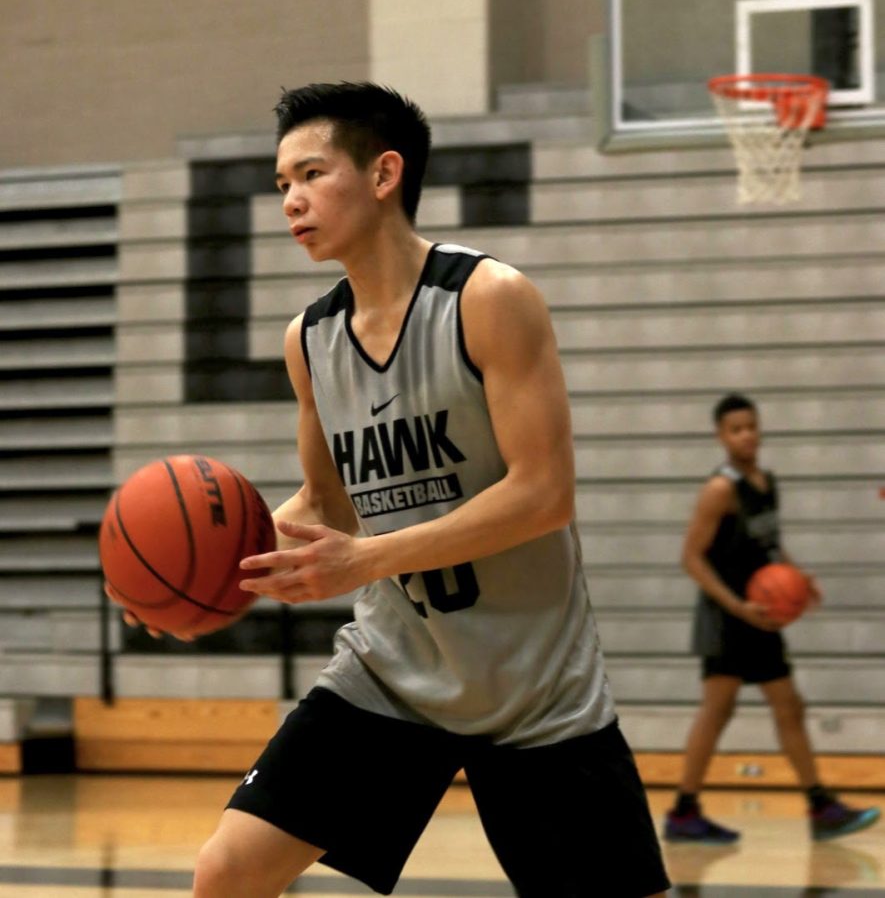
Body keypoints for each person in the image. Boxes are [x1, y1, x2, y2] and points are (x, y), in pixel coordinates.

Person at [185, 82, 671, 898]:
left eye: (310, 174)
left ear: (383, 175)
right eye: (281, 185)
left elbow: (543, 494)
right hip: (390, 671)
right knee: (226, 874)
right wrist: (201, 572)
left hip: (533, 688)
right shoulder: (310, 339)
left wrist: (367, 559)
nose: (291, 201)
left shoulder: (489, 299)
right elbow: (326, 505)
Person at [664, 392, 880, 844]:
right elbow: (691, 558)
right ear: (721, 436)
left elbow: (769, 547)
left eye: (751, 426)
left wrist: (797, 577)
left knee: (789, 707)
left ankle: (820, 806)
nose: (746, 435)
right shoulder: (720, 489)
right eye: (735, 429)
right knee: (718, 711)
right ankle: (685, 811)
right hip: (730, 618)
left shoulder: (765, 481)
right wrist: (736, 605)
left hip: (761, 618)